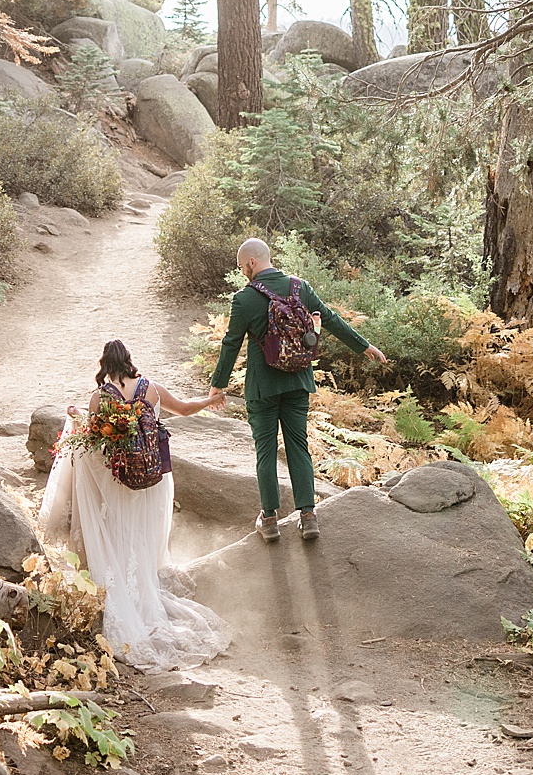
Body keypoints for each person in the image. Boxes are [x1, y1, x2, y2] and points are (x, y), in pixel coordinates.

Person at [36, 339, 231, 670]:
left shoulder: (100, 397)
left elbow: (94, 443)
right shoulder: (151, 389)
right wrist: (211, 399)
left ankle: (119, 589)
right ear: (129, 361)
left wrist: (76, 419)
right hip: (152, 480)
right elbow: (183, 409)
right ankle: (142, 585)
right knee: (141, 534)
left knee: (116, 530)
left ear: (104, 365)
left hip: (118, 480)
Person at [208, 237, 387, 542]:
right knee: (298, 446)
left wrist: (218, 385)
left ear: (252, 262)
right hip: (297, 380)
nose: (242, 274)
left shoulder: (245, 298)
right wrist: (363, 346)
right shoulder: (299, 287)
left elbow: (231, 343)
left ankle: (270, 520)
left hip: (262, 387)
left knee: (265, 451)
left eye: (241, 267)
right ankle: (308, 516)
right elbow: (329, 319)